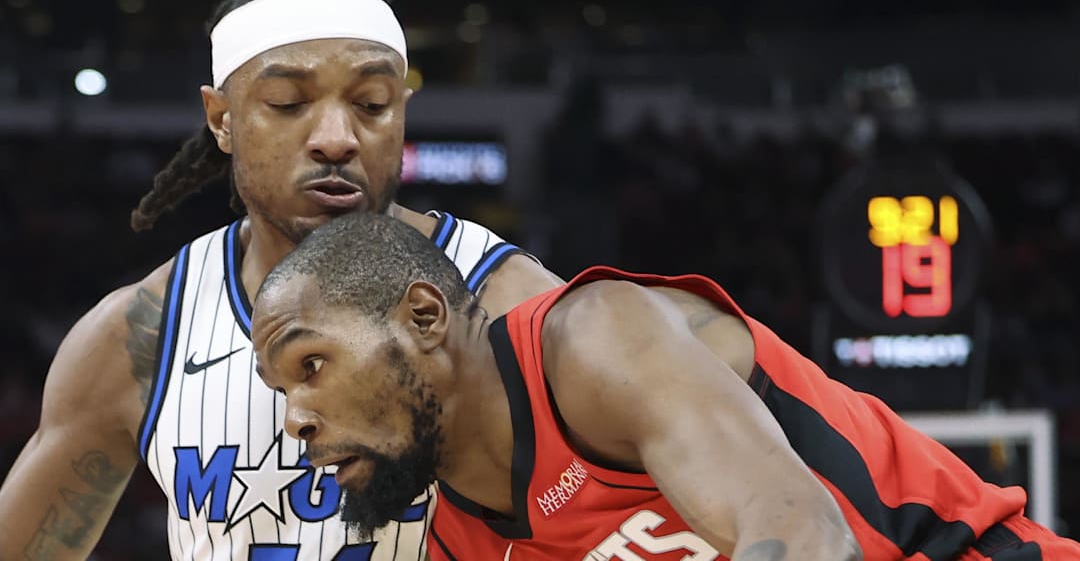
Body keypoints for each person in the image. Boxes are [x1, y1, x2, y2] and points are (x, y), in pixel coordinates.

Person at [0, 0, 562, 560]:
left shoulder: (509, 302)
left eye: (372, 104)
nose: (337, 138)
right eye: (289, 104)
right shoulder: (140, 335)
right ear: (222, 119)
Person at [252, 211, 1080, 561]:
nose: (296, 417)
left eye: (311, 365)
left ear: (425, 318)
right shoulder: (458, 542)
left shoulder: (592, 341)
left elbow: (806, 537)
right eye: (279, 389)